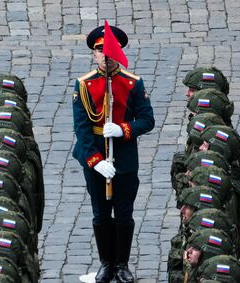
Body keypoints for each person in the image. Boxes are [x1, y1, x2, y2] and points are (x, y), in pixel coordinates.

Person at [71, 24, 154, 283]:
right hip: (96, 157)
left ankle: (122, 264)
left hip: (124, 157)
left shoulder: (133, 83)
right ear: (94, 54)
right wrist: (95, 162)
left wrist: (122, 129)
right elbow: (82, 129)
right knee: (101, 213)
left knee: (124, 212)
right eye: (99, 51)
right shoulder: (84, 85)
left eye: (108, 51)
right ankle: (106, 263)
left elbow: (147, 120)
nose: (104, 56)